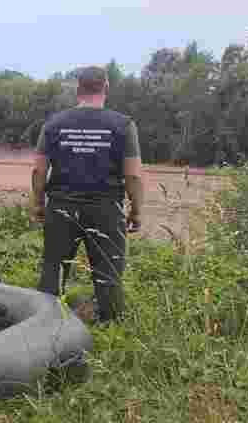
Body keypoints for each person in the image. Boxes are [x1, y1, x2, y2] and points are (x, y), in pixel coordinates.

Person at [30, 66, 145, 323]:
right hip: (106, 210)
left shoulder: (53, 124)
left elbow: (39, 170)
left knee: (53, 273)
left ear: (78, 89)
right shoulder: (124, 125)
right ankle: (110, 328)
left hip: (61, 208)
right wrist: (136, 210)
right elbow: (133, 176)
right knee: (108, 276)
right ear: (106, 88)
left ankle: (45, 326)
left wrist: (37, 203)